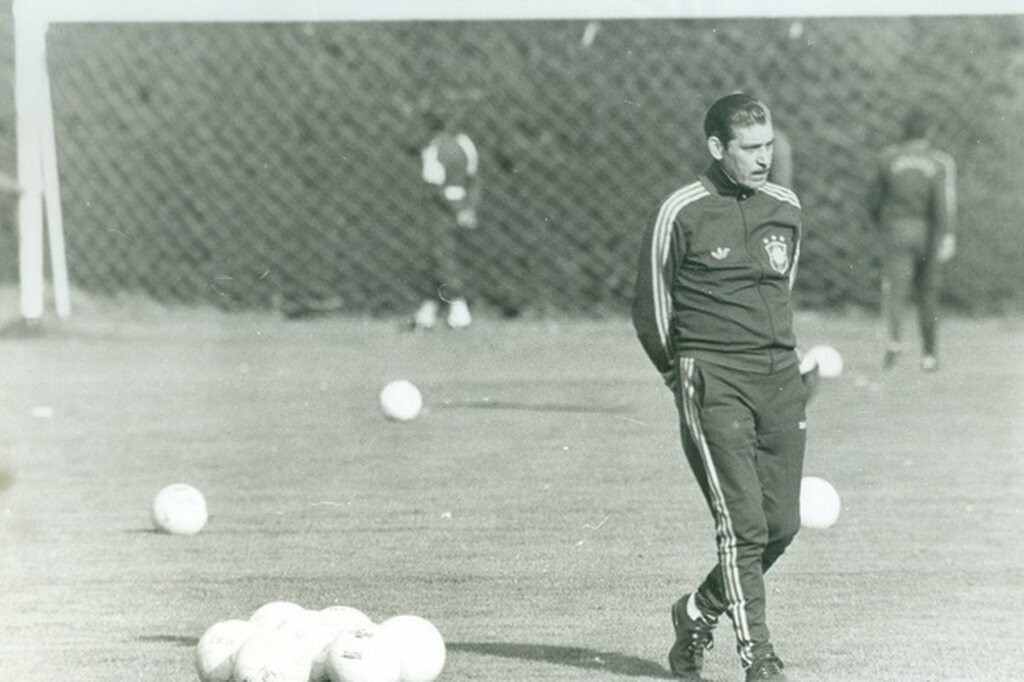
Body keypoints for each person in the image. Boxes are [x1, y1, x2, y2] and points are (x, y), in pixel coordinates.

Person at [632, 93, 806, 682]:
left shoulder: (786, 206)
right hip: (713, 377)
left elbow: (783, 289)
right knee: (743, 526)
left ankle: (696, 610)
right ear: (717, 148)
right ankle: (759, 656)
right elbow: (651, 307)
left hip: (780, 380)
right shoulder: (681, 210)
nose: (764, 159)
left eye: (768, 146)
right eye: (750, 149)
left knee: (781, 525)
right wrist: (677, 373)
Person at [868, 107, 957, 371]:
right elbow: (942, 203)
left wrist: (881, 225)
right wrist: (948, 236)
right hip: (927, 232)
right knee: (928, 292)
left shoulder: (888, 159)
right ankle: (929, 356)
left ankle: (894, 344)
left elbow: (873, 201)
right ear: (928, 132)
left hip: (896, 230)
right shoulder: (939, 162)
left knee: (896, 290)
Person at [411, 111, 480, 331]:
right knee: (441, 258)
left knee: (442, 257)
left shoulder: (434, 148)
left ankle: (459, 311)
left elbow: (435, 187)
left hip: (442, 210)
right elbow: (474, 180)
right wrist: (468, 208)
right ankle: (428, 311)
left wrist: (460, 209)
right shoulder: (465, 143)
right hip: (459, 206)